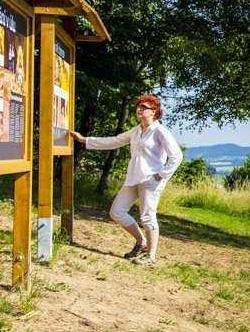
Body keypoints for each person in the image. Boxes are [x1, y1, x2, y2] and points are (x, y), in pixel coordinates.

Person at [70, 94, 182, 265]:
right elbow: (113, 142)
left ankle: (150, 256)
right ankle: (141, 242)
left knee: (147, 216)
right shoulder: (136, 130)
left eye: (143, 107)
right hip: (133, 178)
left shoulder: (160, 131)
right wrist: (84, 140)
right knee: (116, 212)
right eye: (138, 107)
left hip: (151, 180)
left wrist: (161, 175)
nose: (139, 109)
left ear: (154, 112)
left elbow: (176, 156)